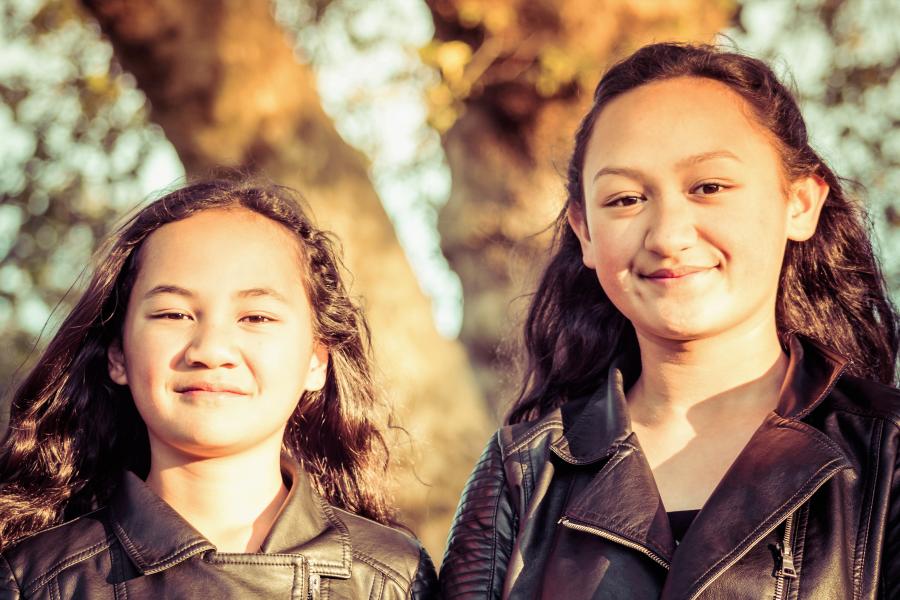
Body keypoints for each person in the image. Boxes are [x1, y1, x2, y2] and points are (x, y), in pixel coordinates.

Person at [440, 42, 900, 599]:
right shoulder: (522, 474)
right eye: (626, 199)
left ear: (799, 204)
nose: (667, 236)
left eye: (708, 187)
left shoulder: (888, 452)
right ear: (585, 231)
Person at [0, 180, 438, 599]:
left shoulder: (394, 577)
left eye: (256, 317)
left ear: (316, 361)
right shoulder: (35, 578)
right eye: (173, 314)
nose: (210, 351)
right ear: (117, 356)